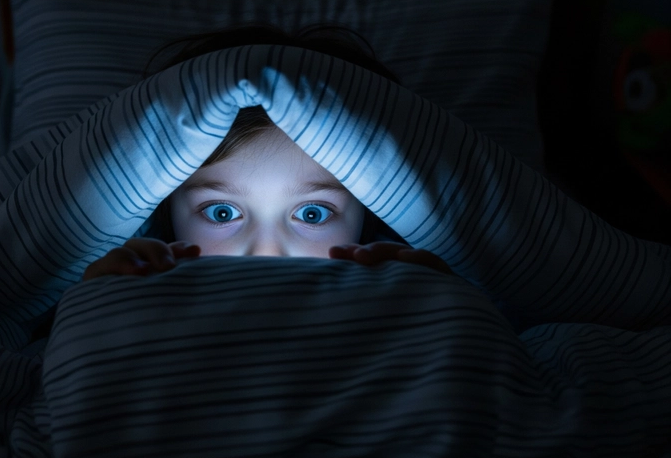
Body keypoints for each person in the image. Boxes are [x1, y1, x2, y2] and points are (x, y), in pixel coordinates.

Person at [82, 23, 454, 281]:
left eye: (313, 213)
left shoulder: (399, 283)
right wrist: (103, 296)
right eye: (221, 211)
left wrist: (435, 300)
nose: (266, 254)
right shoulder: (141, 282)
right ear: (164, 207)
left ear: (368, 214)